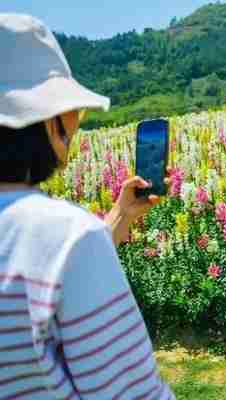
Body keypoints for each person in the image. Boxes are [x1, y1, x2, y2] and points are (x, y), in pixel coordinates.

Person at [0, 14, 175, 399]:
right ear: (52, 120)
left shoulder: (66, 239)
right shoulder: (68, 236)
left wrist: (118, 218)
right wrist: (93, 236)